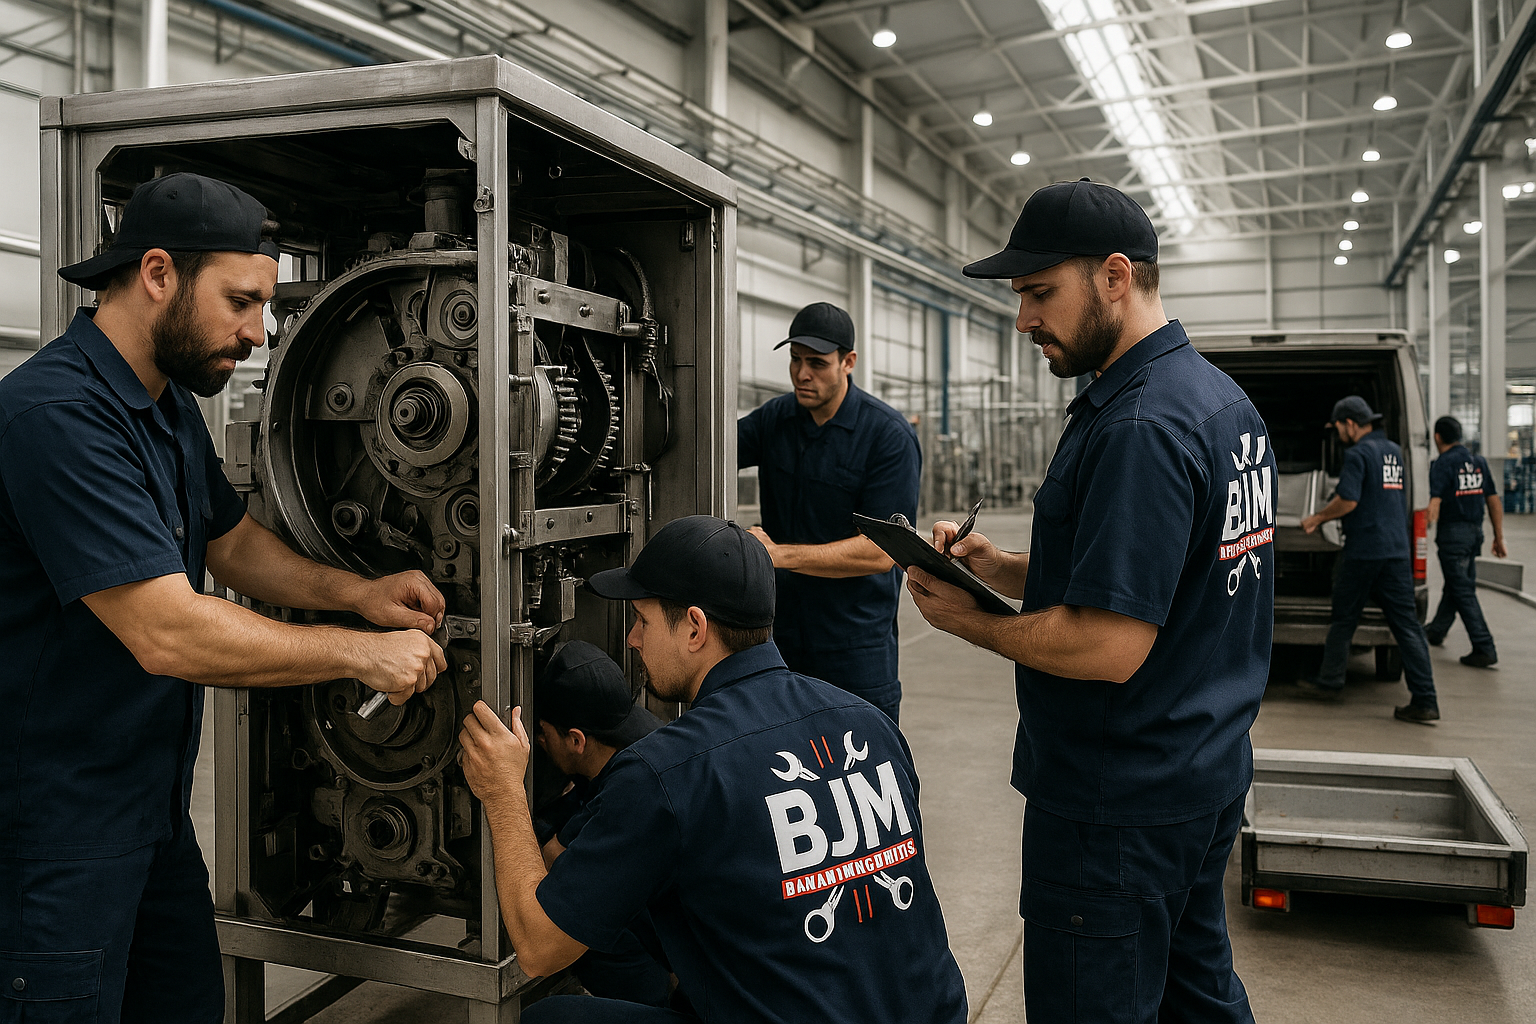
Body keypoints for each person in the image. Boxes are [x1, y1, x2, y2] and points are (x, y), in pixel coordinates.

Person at [0, 172, 447, 1023]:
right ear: (157, 273)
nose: (258, 332)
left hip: (151, 817)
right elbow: (167, 633)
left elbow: (232, 543)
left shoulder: (164, 405)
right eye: (241, 302)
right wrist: (359, 654)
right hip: (52, 837)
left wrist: (360, 594)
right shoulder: (55, 417)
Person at [905, 177, 1267, 1024]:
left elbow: (1109, 642)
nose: (1023, 319)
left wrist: (970, 622)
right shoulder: (1221, 403)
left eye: (1039, 292)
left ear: (1114, 276)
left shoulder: (1140, 425)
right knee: (1198, 998)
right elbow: (1151, 574)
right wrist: (1001, 568)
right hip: (1202, 775)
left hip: (1117, 809)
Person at [458, 515, 967, 1024]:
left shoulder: (668, 770)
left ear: (695, 628)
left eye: (642, 620)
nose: (632, 639)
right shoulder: (871, 723)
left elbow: (540, 948)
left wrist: (503, 792)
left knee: (552, 1019)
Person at [737, 302, 921, 723]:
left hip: (854, 646)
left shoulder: (887, 436)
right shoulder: (775, 419)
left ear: (848, 362)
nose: (802, 374)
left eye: (817, 363)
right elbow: (706, 449)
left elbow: (881, 552)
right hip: (779, 639)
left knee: (861, 755)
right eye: (795, 360)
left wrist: (776, 555)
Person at [532, 640, 670, 1007]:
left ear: (576, 740)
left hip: (685, 976)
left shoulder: (625, 791)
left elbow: (556, 860)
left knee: (543, 1015)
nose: (539, 742)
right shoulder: (649, 738)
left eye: (543, 733)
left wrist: (512, 800)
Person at [1298, 395, 1439, 722]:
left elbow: (1348, 500)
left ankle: (1330, 680)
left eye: (1338, 428)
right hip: (1396, 550)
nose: (1338, 434)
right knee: (1407, 625)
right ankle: (1425, 699)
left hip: (1364, 550)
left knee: (1344, 617)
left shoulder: (1358, 454)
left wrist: (1317, 517)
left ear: (1350, 424)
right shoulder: (1393, 451)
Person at [1424, 415, 1507, 668]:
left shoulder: (1442, 464)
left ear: (1437, 437)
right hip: (1474, 534)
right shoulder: (1478, 462)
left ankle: (1484, 646)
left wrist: (1421, 533)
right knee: (1456, 584)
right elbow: (1493, 500)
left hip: (1453, 536)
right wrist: (1498, 537)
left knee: (1462, 590)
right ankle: (1437, 630)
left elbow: (1434, 503)